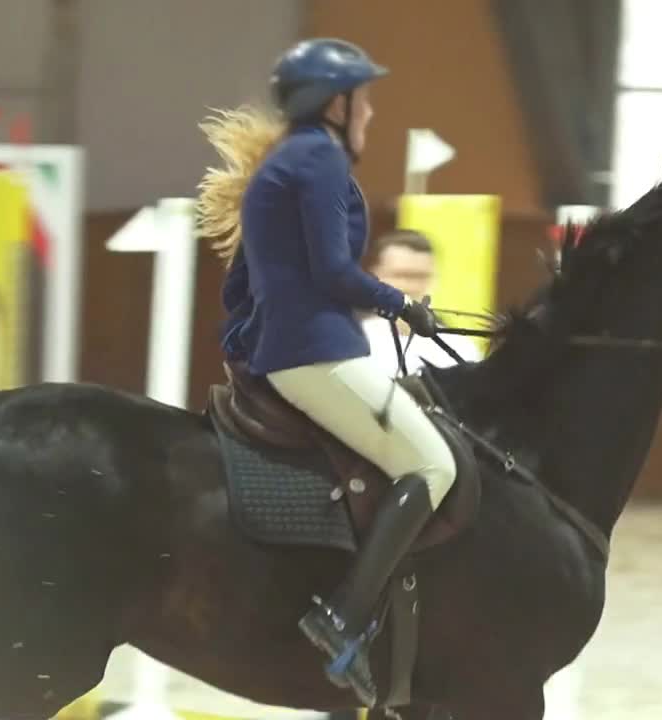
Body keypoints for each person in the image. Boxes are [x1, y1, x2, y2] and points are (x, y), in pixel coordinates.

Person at [194, 38, 456, 708]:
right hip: (317, 354)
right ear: (334, 103)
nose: (369, 112)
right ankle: (344, 613)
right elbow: (333, 272)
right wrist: (407, 307)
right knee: (433, 467)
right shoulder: (319, 160)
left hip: (290, 349)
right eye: (362, 98)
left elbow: (242, 284)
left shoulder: (287, 162)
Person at [362, 229, 483, 375]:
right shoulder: (351, 342)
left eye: (421, 276)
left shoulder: (462, 349)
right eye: (401, 275)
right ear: (375, 276)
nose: (411, 286)